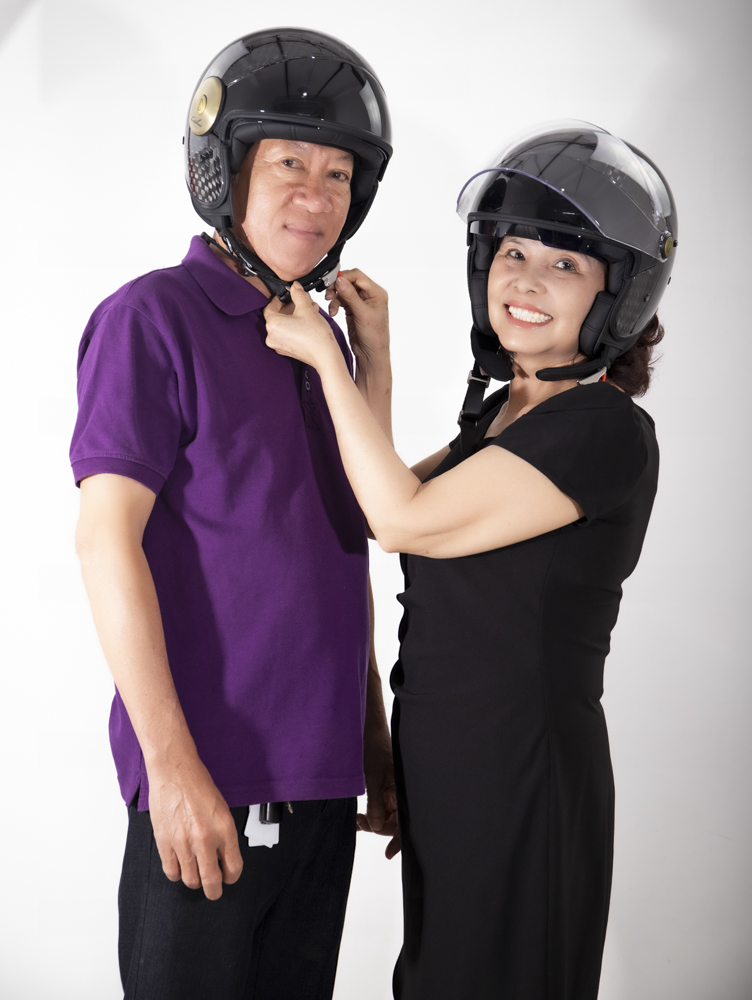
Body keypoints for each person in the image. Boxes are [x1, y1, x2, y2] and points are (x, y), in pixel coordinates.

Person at [263, 120, 678, 999]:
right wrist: (372, 357)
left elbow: (402, 518)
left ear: (619, 297)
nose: (525, 279)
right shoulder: (504, 418)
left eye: (565, 264)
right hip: (452, 773)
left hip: (522, 776)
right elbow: (381, 509)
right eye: (513, 252)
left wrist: (325, 360)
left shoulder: (602, 432)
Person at [70, 28, 397, 1000]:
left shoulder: (319, 342)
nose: (317, 196)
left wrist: (370, 736)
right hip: (209, 783)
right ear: (225, 170)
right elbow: (104, 540)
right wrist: (169, 767)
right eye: (290, 162)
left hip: (324, 784)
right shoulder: (152, 317)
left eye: (338, 174)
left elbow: (344, 548)